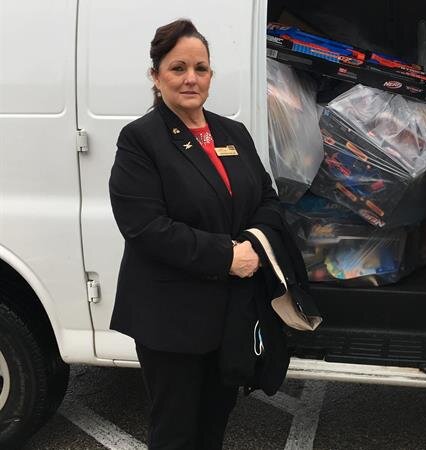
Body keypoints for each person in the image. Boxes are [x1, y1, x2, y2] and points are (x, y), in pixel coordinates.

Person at [108, 19, 280, 450]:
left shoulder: (233, 132)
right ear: (156, 76)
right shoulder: (140, 140)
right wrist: (227, 256)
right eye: (178, 68)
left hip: (229, 313)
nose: (191, 78)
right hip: (172, 319)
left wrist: (254, 244)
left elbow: (267, 199)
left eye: (200, 68)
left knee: (214, 426)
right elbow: (146, 227)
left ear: (210, 75)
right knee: (176, 431)